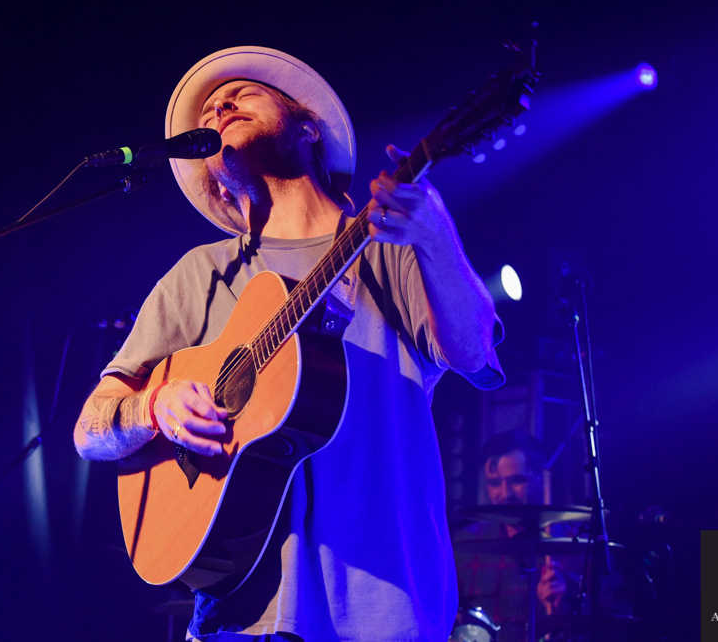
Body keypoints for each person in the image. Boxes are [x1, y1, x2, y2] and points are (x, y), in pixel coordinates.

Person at [73, 46, 504, 641]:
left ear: (307, 126)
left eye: (242, 94)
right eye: (210, 111)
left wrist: (436, 237)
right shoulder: (201, 274)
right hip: (240, 618)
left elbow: (475, 350)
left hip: (384, 608)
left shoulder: (387, 245)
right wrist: (154, 407)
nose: (220, 106)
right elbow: (90, 430)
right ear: (214, 181)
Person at [454, 431, 576, 633]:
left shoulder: (577, 543)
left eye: (517, 481)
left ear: (541, 479)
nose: (505, 494)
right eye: (494, 483)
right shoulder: (466, 544)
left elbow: (614, 621)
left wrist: (565, 608)